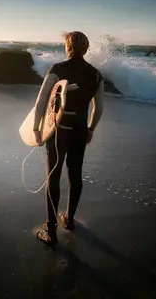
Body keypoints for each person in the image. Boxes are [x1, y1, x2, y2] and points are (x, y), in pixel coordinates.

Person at [32, 31, 104, 245]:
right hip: (80, 131)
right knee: (75, 174)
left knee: (53, 176)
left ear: (68, 47)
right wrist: (91, 128)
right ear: (86, 48)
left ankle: (51, 232)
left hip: (58, 131)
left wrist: (37, 129)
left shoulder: (58, 69)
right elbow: (98, 108)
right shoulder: (96, 75)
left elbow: (41, 102)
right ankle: (69, 220)